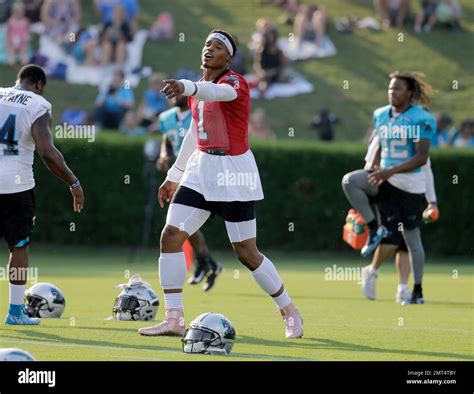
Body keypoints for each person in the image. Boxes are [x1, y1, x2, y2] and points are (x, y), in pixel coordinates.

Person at [137, 30, 302, 338]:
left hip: (233, 173)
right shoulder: (199, 91)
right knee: (171, 236)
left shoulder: (234, 83)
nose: (209, 49)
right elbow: (191, 136)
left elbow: (216, 94)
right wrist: (173, 175)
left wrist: (185, 85)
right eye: (206, 44)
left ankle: (288, 309)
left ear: (229, 57)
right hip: (201, 170)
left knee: (246, 253)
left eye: (217, 46)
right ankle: (174, 318)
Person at [342, 71, 436, 305]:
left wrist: (431, 199)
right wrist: (374, 167)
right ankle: (375, 229)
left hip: (409, 186)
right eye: (390, 88)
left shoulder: (420, 118)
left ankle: (416, 290)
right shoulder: (381, 115)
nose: (392, 92)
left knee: (410, 241)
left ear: (410, 93)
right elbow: (380, 144)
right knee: (350, 181)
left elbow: (422, 159)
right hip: (385, 181)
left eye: (398, 89)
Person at [0, 64, 84, 325]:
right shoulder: (38, 103)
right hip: (16, 185)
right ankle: (15, 312)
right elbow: (48, 153)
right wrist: (73, 182)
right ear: (38, 84)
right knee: (19, 245)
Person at [156, 95, 223, 291]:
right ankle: (206, 262)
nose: (174, 96)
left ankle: (205, 262)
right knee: (180, 223)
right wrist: (163, 155)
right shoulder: (166, 117)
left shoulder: (198, 112)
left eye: (178, 91)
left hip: (201, 171)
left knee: (185, 223)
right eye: (171, 92)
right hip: (180, 173)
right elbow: (167, 139)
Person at [6, 1, 30, 67]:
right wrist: (8, 40)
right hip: (13, 39)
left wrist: (27, 37)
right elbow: (8, 31)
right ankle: (11, 62)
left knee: (23, 49)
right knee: (11, 50)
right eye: (18, 12)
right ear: (14, 12)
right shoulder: (11, 21)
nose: (20, 13)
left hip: (22, 40)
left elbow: (27, 31)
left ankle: (24, 62)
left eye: (22, 11)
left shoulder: (25, 21)